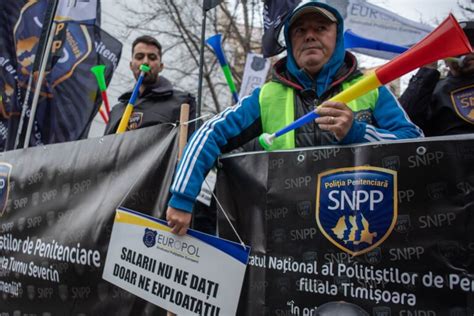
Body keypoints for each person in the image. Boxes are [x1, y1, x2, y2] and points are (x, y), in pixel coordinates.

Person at [166, 1, 423, 235]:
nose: (309, 35)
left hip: (359, 237)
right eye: (299, 30)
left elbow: (416, 144)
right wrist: (182, 198)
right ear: (289, 42)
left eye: (321, 27)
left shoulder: (371, 88)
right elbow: (210, 133)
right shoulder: (267, 95)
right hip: (287, 250)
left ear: (338, 35)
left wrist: (358, 132)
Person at [104, 35, 195, 134]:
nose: (145, 62)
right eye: (139, 57)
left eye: (152, 57)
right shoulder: (117, 110)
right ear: (131, 65)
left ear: (161, 66)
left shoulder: (183, 102)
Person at [399, 21, 474, 136]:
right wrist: (426, 72)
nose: (467, 52)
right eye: (457, 48)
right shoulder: (431, 90)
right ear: (445, 58)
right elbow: (405, 123)